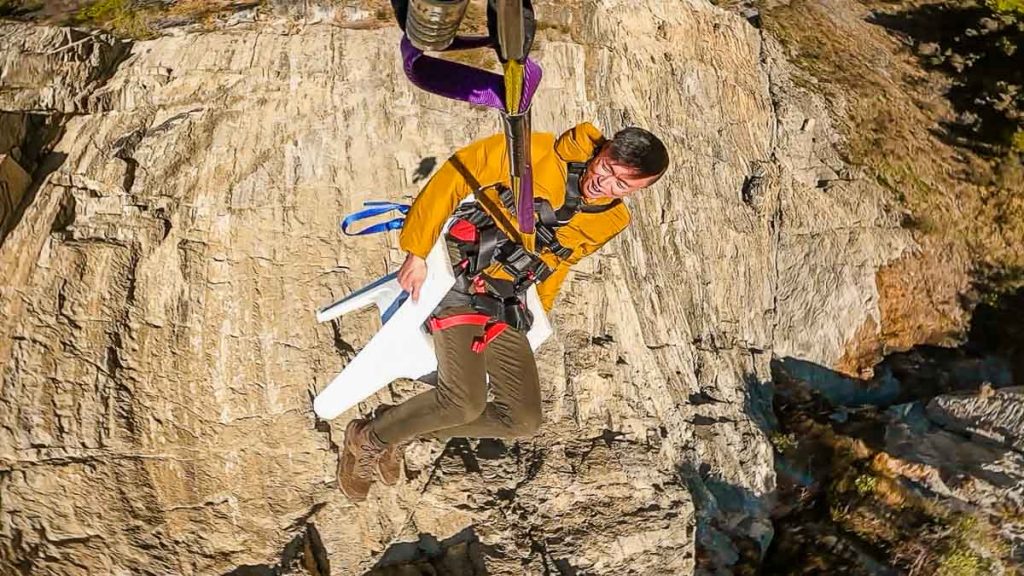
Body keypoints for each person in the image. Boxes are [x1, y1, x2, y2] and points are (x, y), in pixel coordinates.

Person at [339, 122, 668, 501]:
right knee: (464, 401)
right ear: (604, 149)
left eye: (621, 184)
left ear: (637, 191)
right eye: (606, 167)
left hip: (509, 298)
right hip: (460, 275)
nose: (603, 183)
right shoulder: (535, 151)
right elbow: (456, 173)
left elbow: (559, 262)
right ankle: (367, 440)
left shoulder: (612, 220)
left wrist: (538, 315)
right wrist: (417, 250)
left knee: (523, 419)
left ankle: (398, 427)